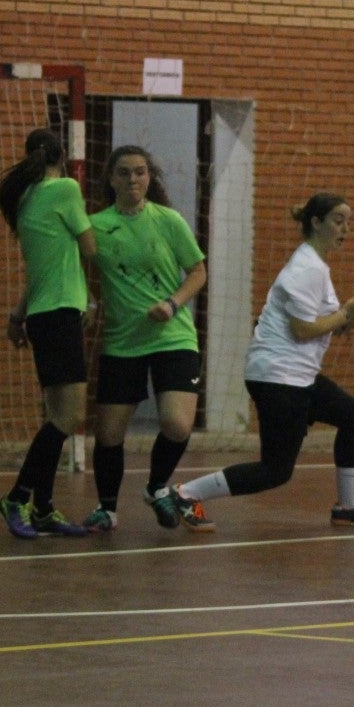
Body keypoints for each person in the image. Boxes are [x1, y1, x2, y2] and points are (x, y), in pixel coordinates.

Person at [175, 192, 354, 527]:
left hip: (296, 377)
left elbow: (322, 327)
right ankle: (185, 494)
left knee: (353, 415)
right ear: (316, 223)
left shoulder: (317, 266)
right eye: (338, 220)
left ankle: (349, 506)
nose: (345, 228)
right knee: (275, 471)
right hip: (279, 377)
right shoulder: (306, 268)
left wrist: (352, 318)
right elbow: (302, 330)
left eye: (348, 221)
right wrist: (345, 313)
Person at [81, 146, 213, 533]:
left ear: (149, 177)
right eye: (124, 173)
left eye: (140, 172)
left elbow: (198, 272)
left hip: (173, 337)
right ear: (111, 179)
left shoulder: (168, 221)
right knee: (108, 434)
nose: (133, 180)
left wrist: (173, 305)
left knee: (176, 424)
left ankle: (156, 488)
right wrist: (88, 302)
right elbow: (81, 270)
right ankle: (107, 509)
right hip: (123, 342)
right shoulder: (96, 226)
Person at [0, 128, 95, 539]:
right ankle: (17, 497)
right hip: (59, 315)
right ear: (62, 157)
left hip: (43, 313)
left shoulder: (25, 198)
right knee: (69, 416)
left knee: (57, 416)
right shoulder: (65, 189)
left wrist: (17, 315)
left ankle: (44, 509)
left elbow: (43, 271)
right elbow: (90, 248)